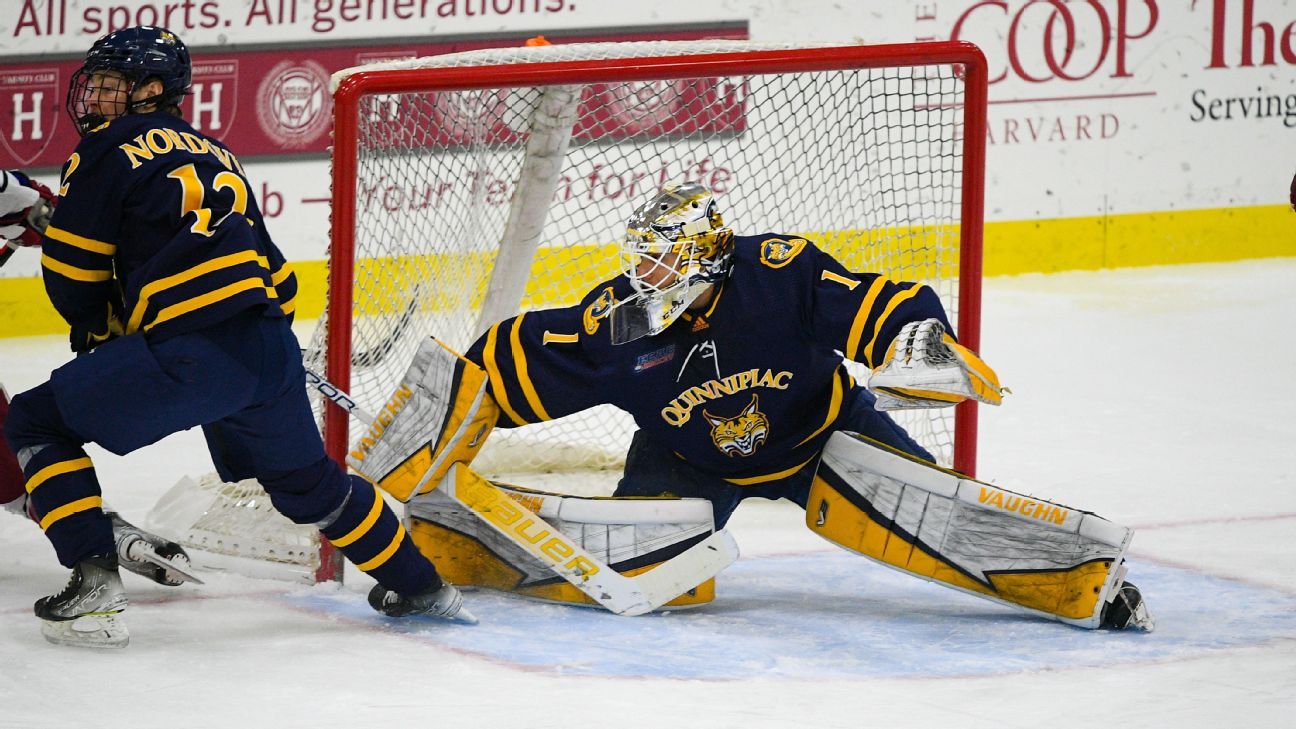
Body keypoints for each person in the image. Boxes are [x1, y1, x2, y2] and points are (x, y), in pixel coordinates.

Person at [464, 180, 1145, 629]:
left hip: (825, 435)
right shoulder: (622, 320)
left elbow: (882, 303)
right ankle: (457, 552)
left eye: (663, 263)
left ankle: (1083, 583)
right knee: (633, 575)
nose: (648, 277)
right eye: (642, 262)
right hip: (689, 463)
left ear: (703, 256)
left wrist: (915, 344)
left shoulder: (780, 275)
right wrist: (460, 395)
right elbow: (523, 358)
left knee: (937, 513)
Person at [1, 26, 471, 648]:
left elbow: (73, 274)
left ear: (148, 91)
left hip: (189, 350)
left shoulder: (104, 150)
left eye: (111, 85)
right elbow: (276, 271)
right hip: (268, 342)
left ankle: (93, 583)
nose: (95, 98)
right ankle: (422, 587)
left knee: (36, 421)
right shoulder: (217, 152)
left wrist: (100, 331)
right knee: (309, 487)